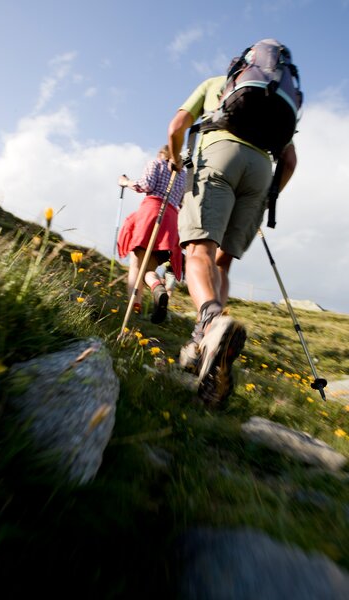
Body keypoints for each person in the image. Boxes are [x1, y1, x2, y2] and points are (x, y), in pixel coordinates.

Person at [167, 62, 297, 404]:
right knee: (222, 263)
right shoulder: (282, 99)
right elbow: (290, 161)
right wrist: (268, 195)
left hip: (219, 158)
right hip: (260, 172)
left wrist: (176, 159)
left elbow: (176, 127)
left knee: (198, 250)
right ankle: (202, 341)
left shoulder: (215, 83)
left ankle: (211, 321)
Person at [117, 145, 187, 323]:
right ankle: (157, 286)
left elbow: (145, 185)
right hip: (170, 221)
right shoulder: (183, 175)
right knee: (148, 269)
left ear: (162, 153)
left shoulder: (156, 163)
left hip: (151, 214)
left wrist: (125, 182)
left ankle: (135, 306)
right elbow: (182, 203)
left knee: (136, 265)